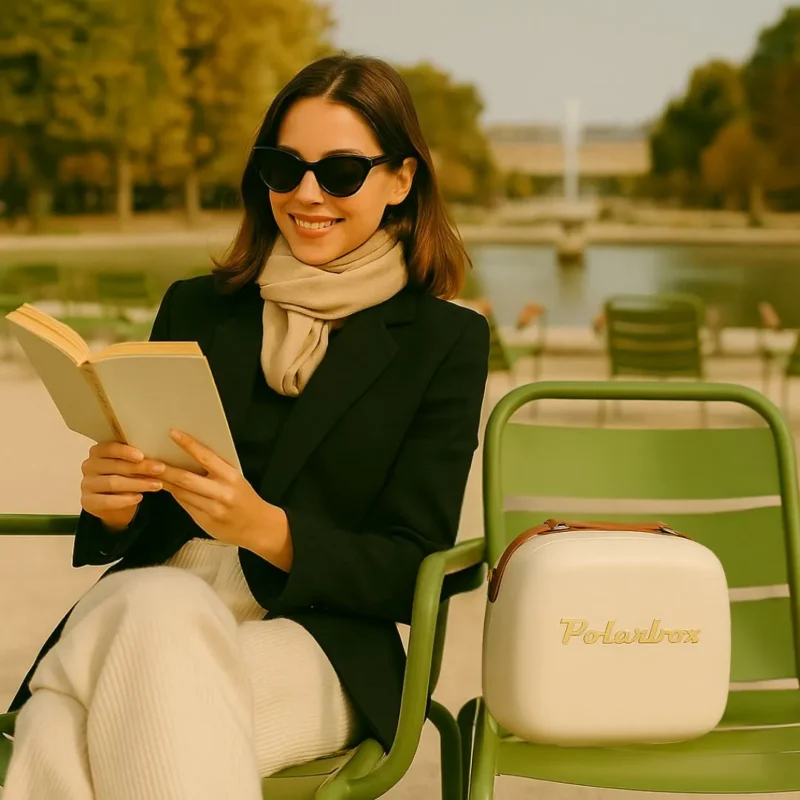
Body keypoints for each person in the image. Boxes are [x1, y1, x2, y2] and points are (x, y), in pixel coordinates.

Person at [2, 52, 490, 800]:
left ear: (401, 180)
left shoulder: (443, 343)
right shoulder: (197, 307)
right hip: (146, 604)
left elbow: (411, 566)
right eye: (283, 167)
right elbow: (145, 526)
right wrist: (112, 503)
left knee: (65, 725)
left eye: (341, 172)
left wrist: (269, 530)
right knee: (160, 609)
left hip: (319, 644)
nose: (306, 193)